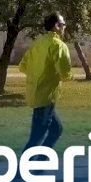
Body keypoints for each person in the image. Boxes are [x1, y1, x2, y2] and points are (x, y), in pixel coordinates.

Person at [18, 12, 73, 153]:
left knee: (56, 129)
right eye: (63, 24)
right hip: (46, 97)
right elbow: (65, 73)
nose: (64, 27)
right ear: (56, 26)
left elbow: (22, 66)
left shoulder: (38, 43)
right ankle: (23, 166)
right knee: (36, 138)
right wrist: (69, 76)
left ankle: (40, 162)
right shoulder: (58, 45)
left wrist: (38, 74)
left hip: (35, 94)